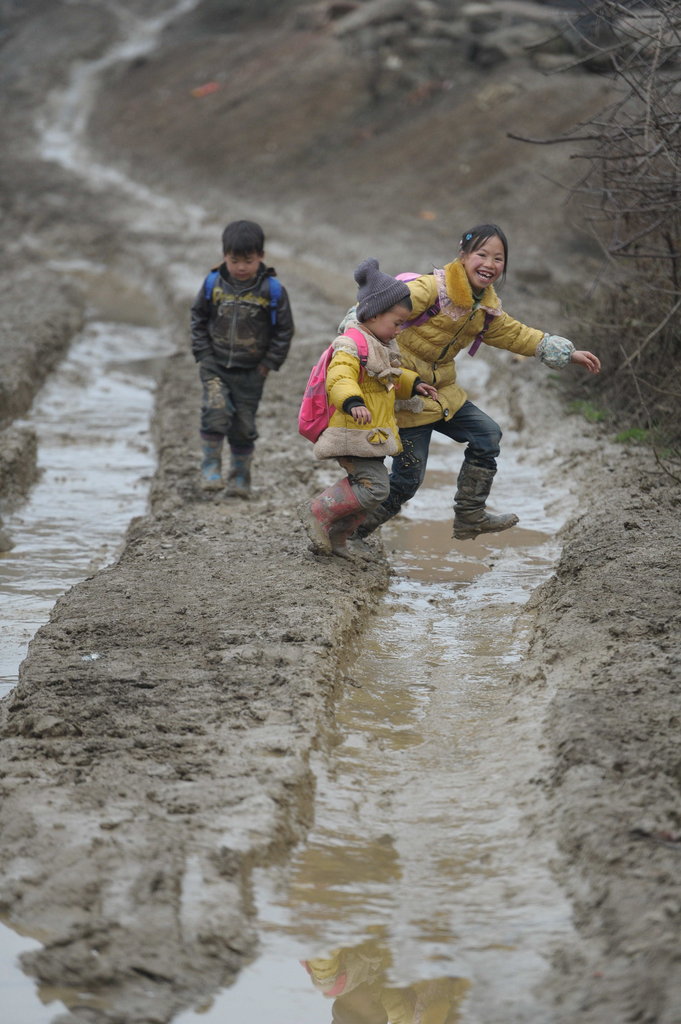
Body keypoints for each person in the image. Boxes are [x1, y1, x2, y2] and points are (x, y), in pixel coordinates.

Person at [349, 223, 601, 543]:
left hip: (442, 392)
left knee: (487, 433)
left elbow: (515, 333)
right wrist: (352, 338)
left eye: (498, 258)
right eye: (481, 254)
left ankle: (470, 514)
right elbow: (375, 308)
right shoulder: (431, 290)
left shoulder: (484, 307)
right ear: (463, 255)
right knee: (406, 482)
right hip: (405, 395)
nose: (489, 264)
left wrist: (566, 353)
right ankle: (352, 534)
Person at [301, 258, 438, 559]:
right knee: (375, 487)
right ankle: (318, 510)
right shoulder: (352, 344)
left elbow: (388, 379)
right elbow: (339, 377)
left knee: (376, 490)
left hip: (369, 434)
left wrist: (413, 384)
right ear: (375, 314)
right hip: (350, 431)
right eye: (397, 322)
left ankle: (339, 537)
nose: (400, 330)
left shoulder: (381, 344)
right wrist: (353, 402)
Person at [190, 219, 294, 497]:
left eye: (248, 260)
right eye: (234, 260)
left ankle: (240, 478)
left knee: (244, 426)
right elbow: (198, 317)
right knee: (215, 412)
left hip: (251, 371)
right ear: (224, 256)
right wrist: (203, 353)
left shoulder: (272, 291)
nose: (241, 267)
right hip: (215, 364)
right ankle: (210, 466)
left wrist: (268, 364)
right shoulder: (214, 283)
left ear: (261, 256)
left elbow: (284, 330)